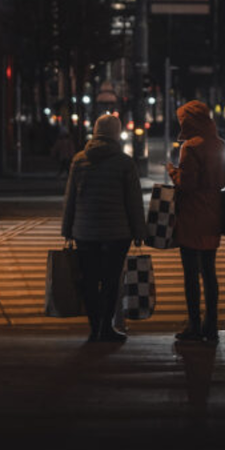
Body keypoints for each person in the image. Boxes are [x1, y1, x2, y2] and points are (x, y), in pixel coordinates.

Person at [60, 113, 147, 342]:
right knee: (111, 281)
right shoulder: (125, 163)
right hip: (117, 234)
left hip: (85, 232)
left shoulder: (79, 160)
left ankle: (93, 328)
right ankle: (106, 328)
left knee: (89, 280)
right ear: (116, 134)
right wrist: (139, 232)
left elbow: (70, 199)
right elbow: (134, 202)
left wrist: (67, 229)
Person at [166, 100, 225, 342]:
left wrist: (172, 171)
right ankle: (211, 324)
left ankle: (194, 324)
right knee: (209, 272)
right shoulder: (220, 144)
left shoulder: (190, 147)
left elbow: (187, 183)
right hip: (213, 213)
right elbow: (223, 181)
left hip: (191, 216)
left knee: (191, 273)